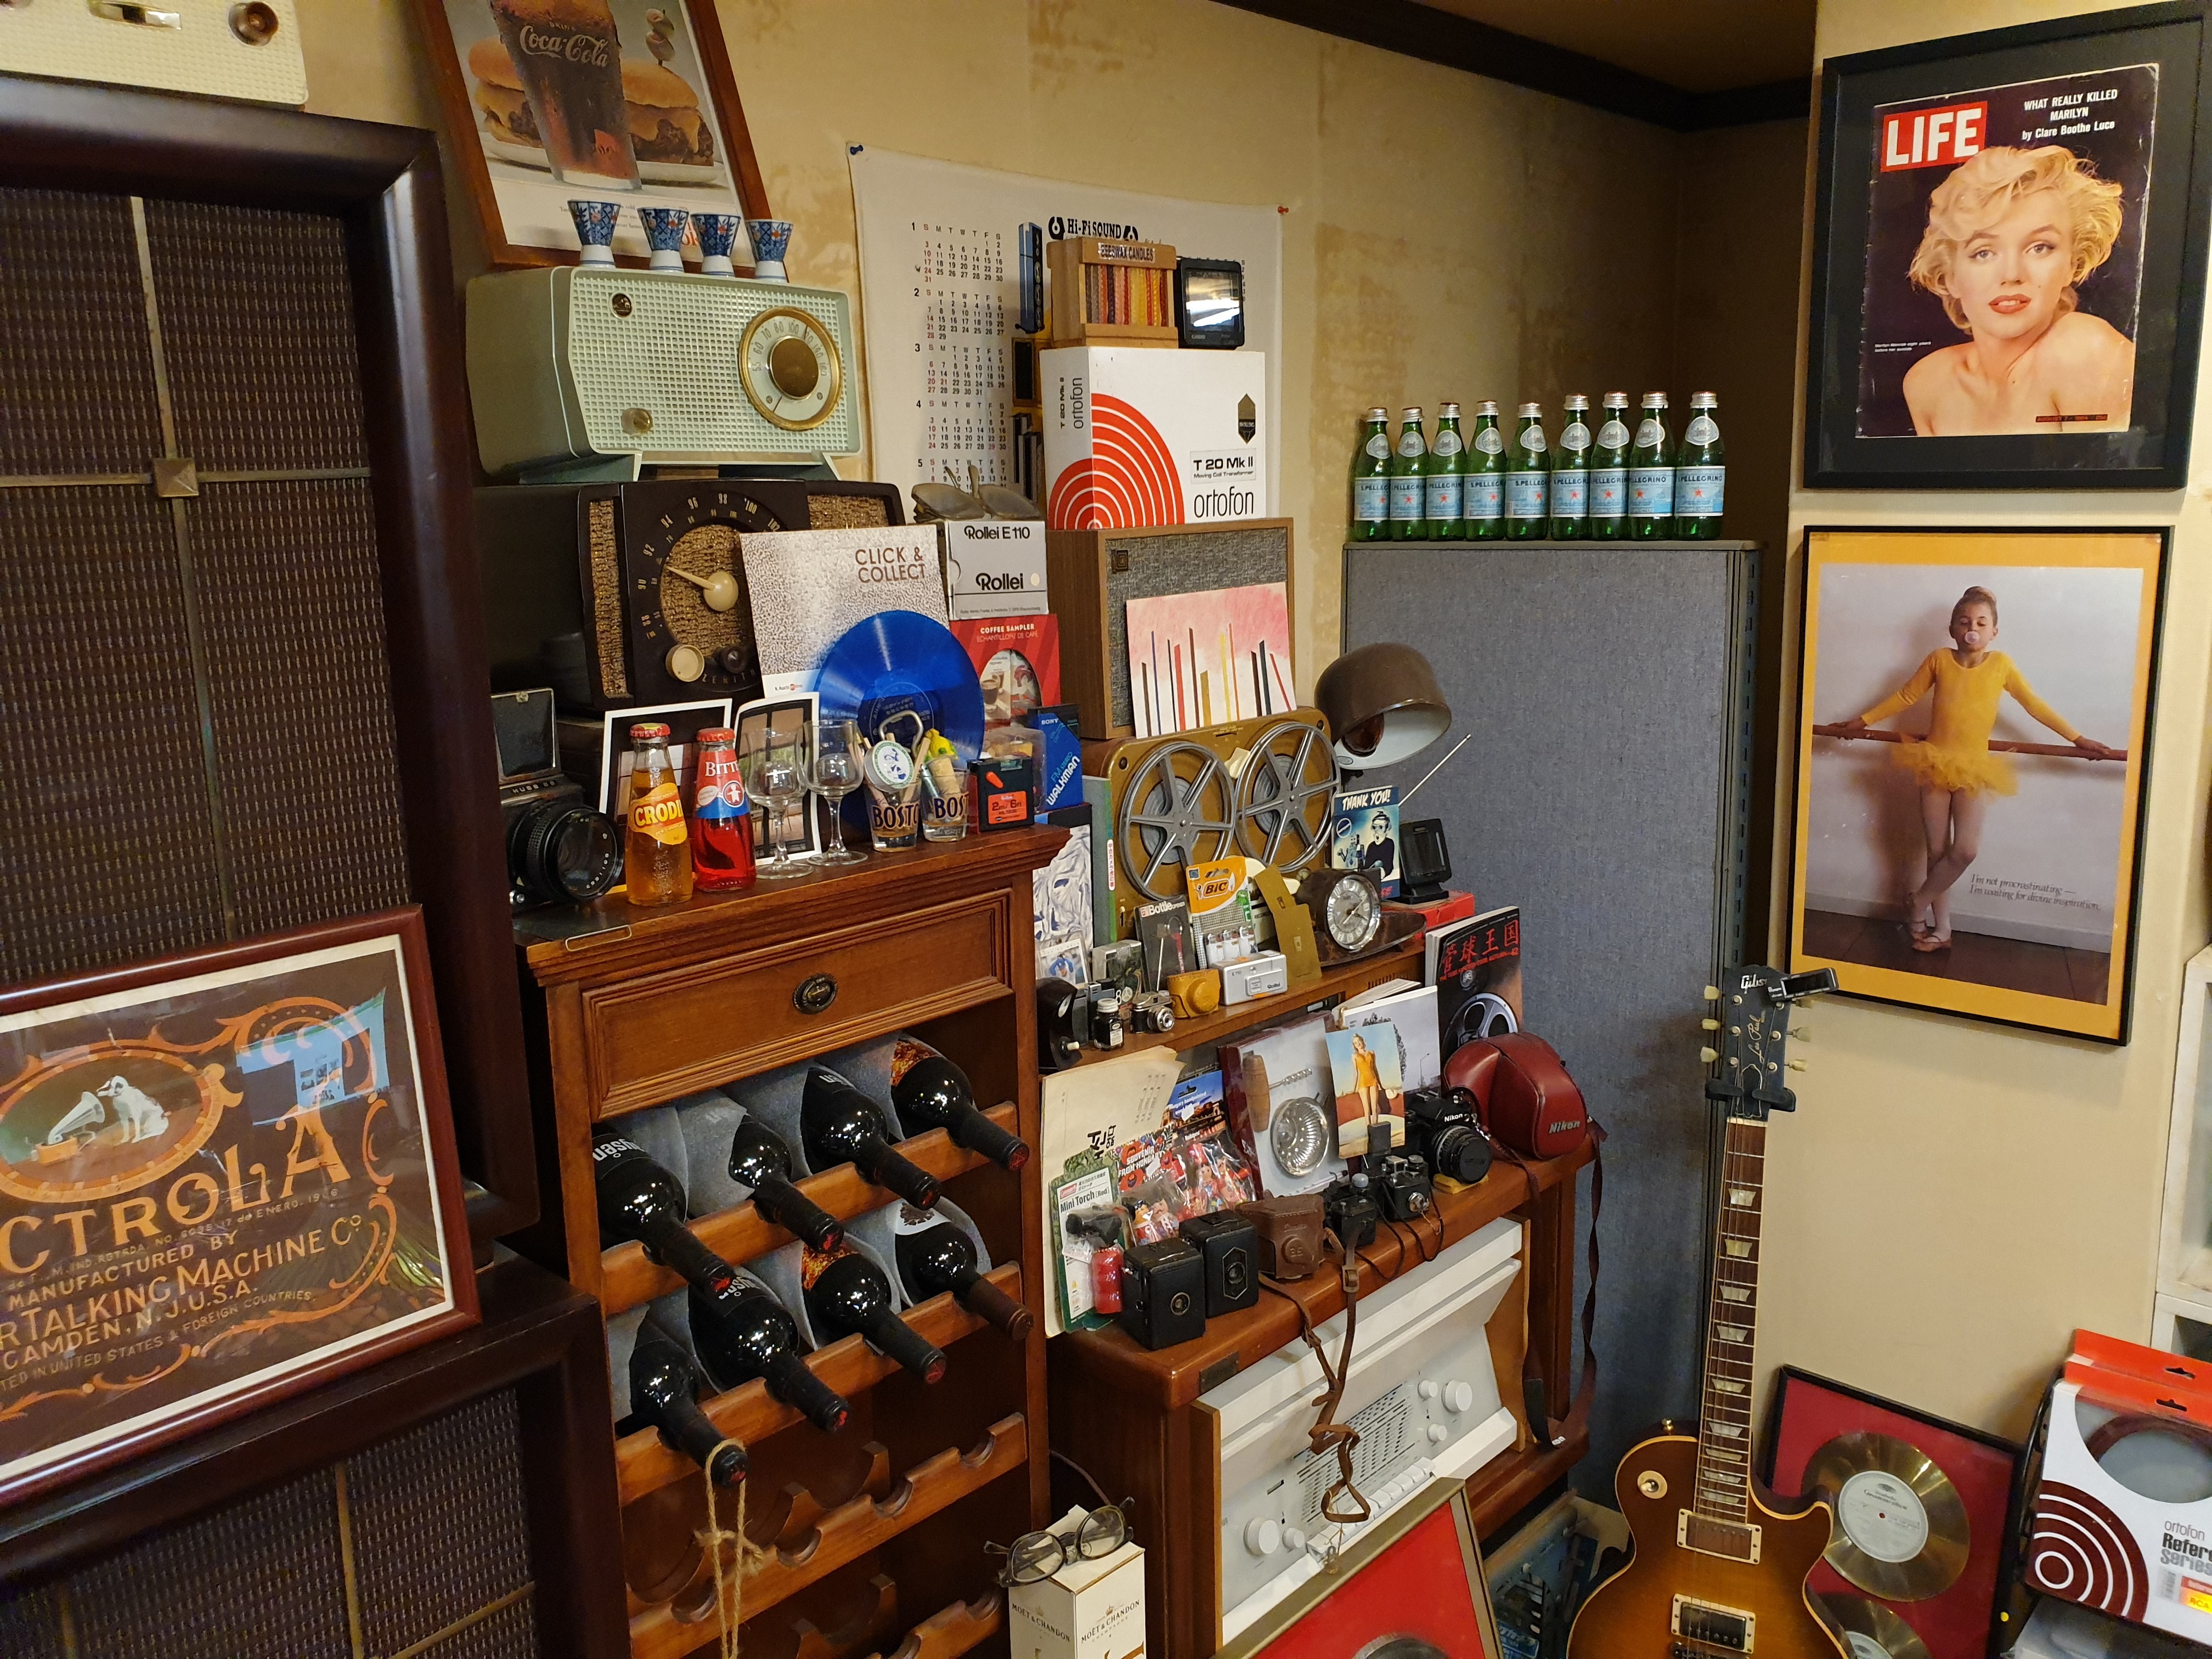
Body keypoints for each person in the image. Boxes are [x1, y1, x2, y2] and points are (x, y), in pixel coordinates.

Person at [1835, 585, 2117, 953]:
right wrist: (1862, 721)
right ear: (1953, 629)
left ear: (1994, 632)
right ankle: (1941, 930)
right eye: (1965, 622)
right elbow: (1906, 696)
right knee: (1937, 852)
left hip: (1974, 769)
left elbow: (2034, 705)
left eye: (1982, 623)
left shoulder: (2001, 665)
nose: (1973, 628)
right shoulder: (1939, 659)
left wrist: (2078, 739)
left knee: (1965, 850)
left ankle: (1917, 902)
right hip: (1935, 762)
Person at [1900, 145, 2132, 436]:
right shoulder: (1927, 384)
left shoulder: (2086, 351)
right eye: (1983, 253)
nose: (2011, 275)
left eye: (2040, 248)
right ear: (1950, 277)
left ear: (2072, 264)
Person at [1349, 1031, 1383, 1132]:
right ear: (1354, 1046)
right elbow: (1356, 1073)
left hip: (1373, 1081)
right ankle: (1369, 1133)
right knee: (1367, 1110)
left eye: (1359, 1041)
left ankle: (1376, 1132)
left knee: (1374, 1108)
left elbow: (1375, 1069)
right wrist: (1353, 1089)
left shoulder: (1371, 1053)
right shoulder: (1355, 1056)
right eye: (1355, 1043)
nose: (1358, 1044)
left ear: (1363, 1041)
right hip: (1363, 1083)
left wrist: (1381, 1085)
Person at [1356, 811, 1396, 883]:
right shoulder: (1372, 846)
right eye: (1375, 827)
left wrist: (1382, 872)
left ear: (1387, 829)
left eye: (1381, 827)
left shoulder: (1389, 843)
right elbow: (1366, 867)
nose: (1377, 831)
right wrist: (1359, 856)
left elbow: (1388, 865)